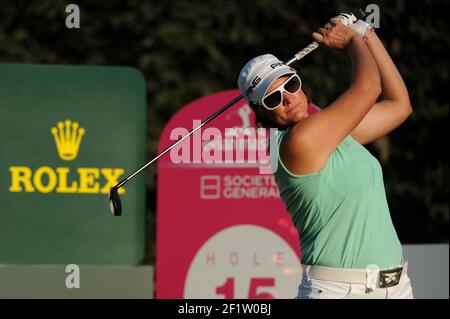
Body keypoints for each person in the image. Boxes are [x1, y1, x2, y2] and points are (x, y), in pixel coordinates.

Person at [237, 15, 414, 299]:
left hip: (396, 287)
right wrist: (352, 41)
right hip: (340, 291)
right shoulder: (298, 142)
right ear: (262, 113)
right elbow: (369, 88)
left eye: (290, 85)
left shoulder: (335, 134)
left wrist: (367, 33)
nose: (287, 99)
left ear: (300, 84)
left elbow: (399, 106)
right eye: (272, 99)